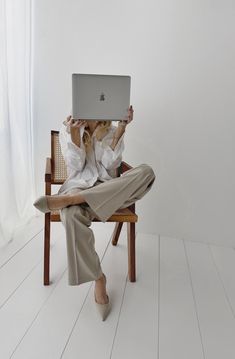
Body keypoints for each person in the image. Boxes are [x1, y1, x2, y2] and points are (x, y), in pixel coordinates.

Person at [33, 105, 156, 321]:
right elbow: (76, 165)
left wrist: (121, 129)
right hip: (80, 186)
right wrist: (74, 134)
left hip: (109, 192)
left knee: (146, 172)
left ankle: (68, 200)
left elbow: (111, 165)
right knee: (71, 216)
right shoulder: (68, 129)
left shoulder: (110, 130)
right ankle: (98, 278)